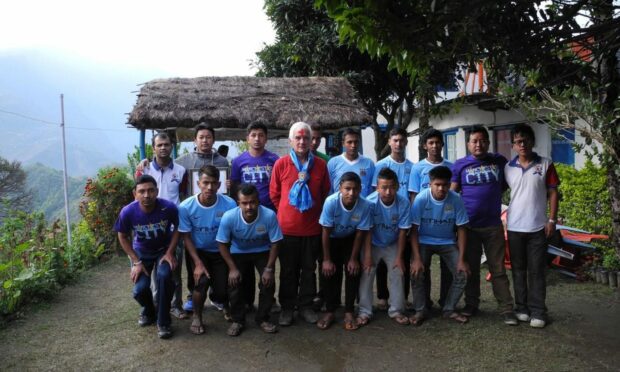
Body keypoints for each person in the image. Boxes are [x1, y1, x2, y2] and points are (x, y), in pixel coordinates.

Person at [451, 126, 518, 325]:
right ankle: (472, 304)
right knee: (471, 268)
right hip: (469, 227)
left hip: (493, 226)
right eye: (474, 141)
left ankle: (506, 308)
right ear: (468, 144)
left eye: (482, 140)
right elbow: (454, 194)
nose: (478, 144)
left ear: (488, 142)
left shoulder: (498, 161)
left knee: (498, 269)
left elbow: (505, 184)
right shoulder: (460, 165)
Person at [270, 121, 331, 326]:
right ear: (290, 141)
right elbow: (275, 194)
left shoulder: (321, 165)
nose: (303, 141)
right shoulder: (281, 164)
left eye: (306, 137)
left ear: (312, 140)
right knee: (287, 270)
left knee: (309, 270)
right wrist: (289, 212)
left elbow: (324, 194)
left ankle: (305, 306)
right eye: (298, 137)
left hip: (312, 228)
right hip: (287, 229)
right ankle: (287, 308)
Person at [504, 124, 559, 328]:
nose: (522, 144)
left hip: (537, 227)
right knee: (518, 270)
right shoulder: (508, 168)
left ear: (532, 141)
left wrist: (551, 220)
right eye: (518, 141)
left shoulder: (545, 164)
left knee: (536, 270)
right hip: (514, 227)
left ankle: (538, 312)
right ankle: (522, 308)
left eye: (526, 139)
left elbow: (553, 193)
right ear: (513, 145)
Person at [114, 175, 179, 339]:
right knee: (140, 290)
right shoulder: (128, 211)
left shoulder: (168, 207)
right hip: (141, 252)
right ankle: (149, 311)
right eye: (141, 191)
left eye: (150, 190)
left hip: (163, 250)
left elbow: (179, 228)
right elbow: (122, 236)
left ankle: (163, 321)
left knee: (165, 276)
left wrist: (171, 252)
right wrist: (136, 261)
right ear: (134, 193)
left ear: (157, 191)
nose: (146, 195)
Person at [178, 165, 237, 335]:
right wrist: (197, 263)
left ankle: (223, 303)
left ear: (219, 185)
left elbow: (232, 232)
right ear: (198, 183)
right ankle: (197, 316)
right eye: (205, 183)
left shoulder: (229, 204)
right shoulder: (186, 207)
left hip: (220, 251)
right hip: (198, 252)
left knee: (222, 288)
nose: (209, 187)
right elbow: (186, 237)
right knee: (200, 283)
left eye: (213, 183)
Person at [135, 132, 188, 320]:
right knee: (153, 277)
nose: (163, 148)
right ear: (153, 148)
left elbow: (184, 196)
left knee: (173, 269)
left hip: (173, 230)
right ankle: (156, 305)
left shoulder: (181, 171)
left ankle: (176, 305)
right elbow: (137, 194)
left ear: (172, 146)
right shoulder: (145, 170)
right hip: (150, 229)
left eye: (166, 144)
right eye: (159, 145)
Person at [217, 184, 282, 336]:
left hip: (262, 251)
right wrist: (232, 268)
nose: (249, 207)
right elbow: (221, 243)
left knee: (268, 282)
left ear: (258, 201)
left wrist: (269, 269)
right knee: (234, 283)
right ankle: (238, 320)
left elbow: (276, 243)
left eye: (252, 202)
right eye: (244, 203)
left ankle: (263, 318)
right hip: (238, 252)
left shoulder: (269, 215)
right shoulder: (229, 217)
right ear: (238, 203)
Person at [409, 166, 470, 325]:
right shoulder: (421, 199)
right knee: (416, 272)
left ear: (450, 184)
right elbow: (414, 230)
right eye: (437, 184)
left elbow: (462, 229)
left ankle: (449, 309)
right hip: (424, 241)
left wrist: (462, 259)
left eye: (445, 184)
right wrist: (416, 258)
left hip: (447, 242)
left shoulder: (456, 199)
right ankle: (420, 310)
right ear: (430, 184)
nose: (441, 188)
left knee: (462, 273)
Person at [230, 123, 280, 312]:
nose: (257, 138)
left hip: (268, 215)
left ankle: (270, 300)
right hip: (246, 215)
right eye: (253, 135)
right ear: (247, 138)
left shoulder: (274, 160)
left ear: (266, 138)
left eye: (261, 135)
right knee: (246, 261)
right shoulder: (238, 161)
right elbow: (234, 188)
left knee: (267, 260)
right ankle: (247, 301)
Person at [317, 172, 372, 330]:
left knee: (353, 271)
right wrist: (327, 259)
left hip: (351, 239)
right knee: (328, 273)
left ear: (360, 189)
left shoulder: (365, 205)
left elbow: (361, 233)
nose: (351, 193)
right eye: (347, 188)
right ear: (340, 188)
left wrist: (353, 259)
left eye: (355, 189)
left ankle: (349, 310)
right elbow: (325, 231)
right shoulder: (331, 202)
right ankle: (330, 310)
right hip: (331, 239)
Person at [358, 168, 411, 326]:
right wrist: (367, 256)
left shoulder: (404, 203)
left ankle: (396, 310)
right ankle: (364, 311)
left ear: (397, 187)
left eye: (391, 187)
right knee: (367, 273)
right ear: (377, 187)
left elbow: (403, 232)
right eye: (383, 187)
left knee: (398, 272)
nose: (387, 192)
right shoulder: (369, 202)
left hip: (392, 243)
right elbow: (367, 231)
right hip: (372, 243)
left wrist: (399, 258)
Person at [408, 128, 453, 310]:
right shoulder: (417, 168)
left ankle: (445, 302)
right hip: (424, 228)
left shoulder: (451, 166)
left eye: (437, 142)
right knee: (422, 268)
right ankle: (424, 303)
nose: (434, 146)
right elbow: (413, 196)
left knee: (447, 269)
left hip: (445, 226)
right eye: (430, 143)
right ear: (425, 146)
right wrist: (415, 225)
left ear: (443, 144)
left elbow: (454, 195)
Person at [372, 128, 413, 310]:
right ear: (389, 142)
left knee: (402, 258)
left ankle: (402, 297)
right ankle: (382, 297)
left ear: (406, 142)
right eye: (395, 140)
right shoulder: (380, 165)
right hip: (384, 219)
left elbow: (412, 193)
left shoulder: (412, 166)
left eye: (401, 140)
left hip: (404, 219)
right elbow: (376, 192)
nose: (398, 144)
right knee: (380, 261)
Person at [327, 127, 375, 197]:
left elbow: (372, 190)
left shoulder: (369, 163)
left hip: (363, 207)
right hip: (339, 207)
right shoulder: (333, 163)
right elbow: (329, 188)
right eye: (349, 142)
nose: (353, 145)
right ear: (343, 143)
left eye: (356, 142)